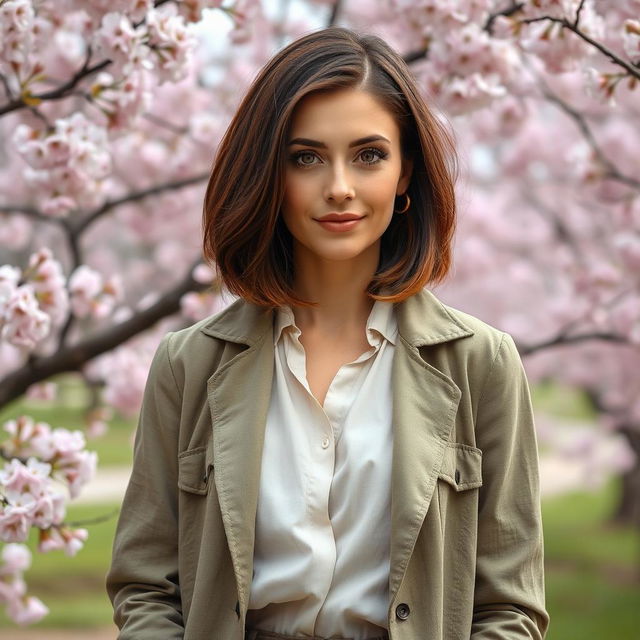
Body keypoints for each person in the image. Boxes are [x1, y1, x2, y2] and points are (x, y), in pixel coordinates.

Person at [106, 26, 550, 640]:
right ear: (269, 174)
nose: (338, 185)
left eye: (368, 155)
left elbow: (511, 606)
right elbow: (144, 585)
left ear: (404, 175)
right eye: (305, 157)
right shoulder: (189, 364)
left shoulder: (481, 363)